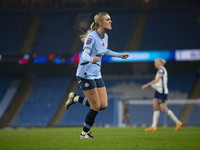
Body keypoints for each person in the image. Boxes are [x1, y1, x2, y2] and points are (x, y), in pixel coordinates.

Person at [65, 12, 129, 139]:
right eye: (108, 19)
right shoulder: (91, 38)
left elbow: (105, 51)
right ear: (100, 23)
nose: (111, 21)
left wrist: (120, 55)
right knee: (95, 106)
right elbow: (84, 54)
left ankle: (76, 99)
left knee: (103, 105)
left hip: (96, 74)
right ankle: (84, 134)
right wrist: (91, 59)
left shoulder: (105, 36)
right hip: (85, 74)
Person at [141, 58, 183, 131]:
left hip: (162, 92)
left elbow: (157, 79)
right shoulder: (159, 70)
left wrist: (147, 84)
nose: (155, 64)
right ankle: (154, 126)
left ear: (160, 63)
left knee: (163, 109)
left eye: (156, 62)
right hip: (158, 91)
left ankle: (178, 122)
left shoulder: (162, 69)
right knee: (155, 107)